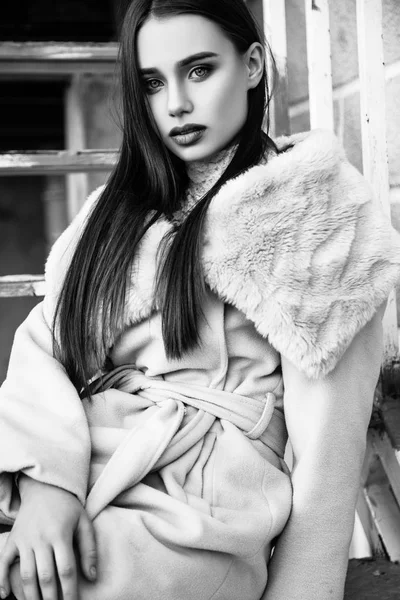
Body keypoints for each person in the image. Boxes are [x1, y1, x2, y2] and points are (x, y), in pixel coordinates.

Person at [0, 1, 400, 599]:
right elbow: (44, 345)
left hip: (207, 510)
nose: (176, 105)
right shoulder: (118, 212)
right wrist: (46, 486)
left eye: (199, 70)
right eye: (154, 83)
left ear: (254, 64)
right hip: (86, 459)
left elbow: (328, 456)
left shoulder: (319, 213)